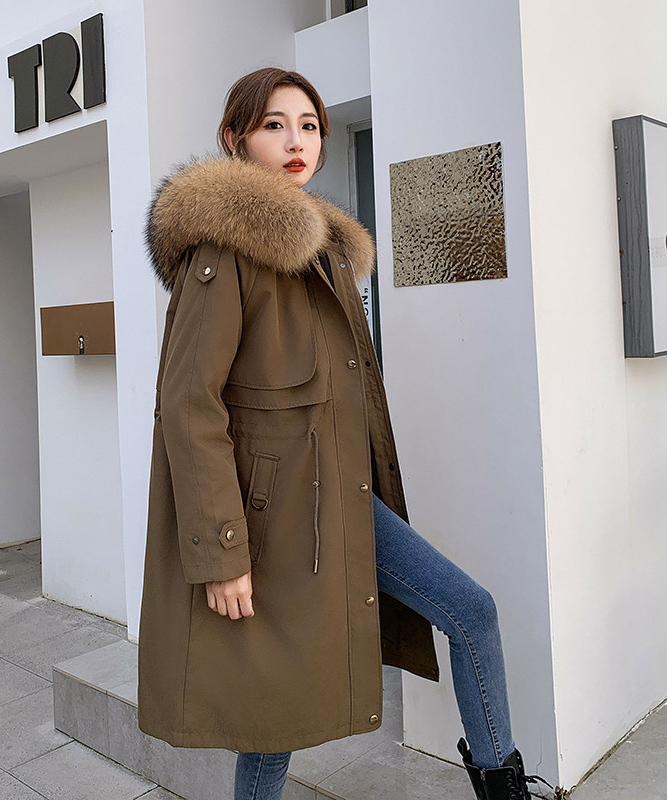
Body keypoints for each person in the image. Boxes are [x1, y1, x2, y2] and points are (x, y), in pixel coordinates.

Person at [137, 67, 543, 800]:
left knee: (470, 612)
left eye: (310, 126)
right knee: (274, 722)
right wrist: (221, 550)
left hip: (339, 508)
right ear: (234, 138)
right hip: (267, 523)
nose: (296, 141)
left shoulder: (323, 255)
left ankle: (503, 787)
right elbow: (188, 405)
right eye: (274, 125)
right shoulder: (221, 253)